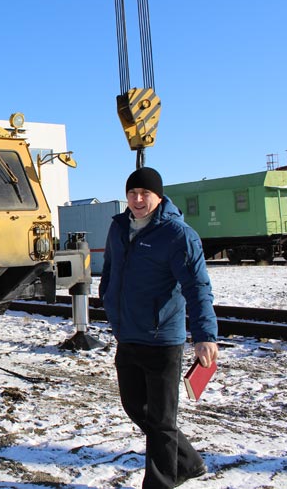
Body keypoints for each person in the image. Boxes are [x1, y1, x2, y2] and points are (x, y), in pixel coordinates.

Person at [99, 167, 218, 489]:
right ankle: (188, 462)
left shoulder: (178, 235)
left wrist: (205, 336)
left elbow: (197, 287)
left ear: (159, 197)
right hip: (128, 334)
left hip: (162, 339)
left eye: (145, 194)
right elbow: (110, 269)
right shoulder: (119, 227)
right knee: (135, 407)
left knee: (162, 421)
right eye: (133, 193)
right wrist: (108, 299)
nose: (138, 200)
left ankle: (161, 482)